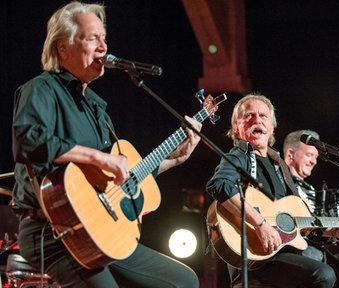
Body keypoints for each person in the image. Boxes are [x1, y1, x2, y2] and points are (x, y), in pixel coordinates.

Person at [11, 2, 201, 287]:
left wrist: (173, 160)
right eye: (92, 38)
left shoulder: (96, 108)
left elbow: (117, 182)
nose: (104, 47)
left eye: (103, 37)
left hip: (100, 230)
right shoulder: (41, 89)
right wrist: (99, 159)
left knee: (183, 280)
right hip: (54, 232)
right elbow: (27, 141)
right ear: (62, 48)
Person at [206, 93, 339, 287]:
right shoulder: (240, 155)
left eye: (263, 116)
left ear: (272, 126)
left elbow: (305, 226)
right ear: (236, 127)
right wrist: (260, 223)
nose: (257, 120)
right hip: (256, 261)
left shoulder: (280, 166)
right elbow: (219, 185)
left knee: (321, 268)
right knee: (323, 275)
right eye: (249, 115)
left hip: (284, 258)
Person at [282, 129, 339, 262]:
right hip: (287, 250)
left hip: (313, 255)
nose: (314, 161)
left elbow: (315, 231)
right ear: (291, 154)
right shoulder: (277, 180)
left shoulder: (312, 191)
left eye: (316, 157)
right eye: (309, 155)